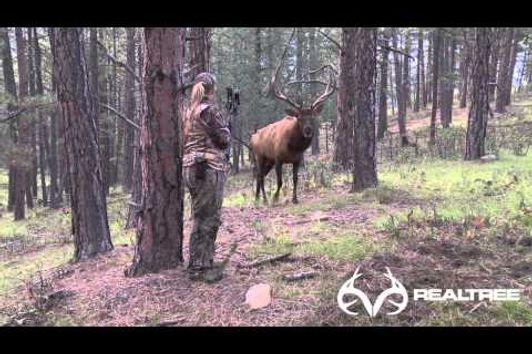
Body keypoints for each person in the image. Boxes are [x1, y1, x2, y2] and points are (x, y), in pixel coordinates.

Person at [183, 72, 231, 282]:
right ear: (211, 90)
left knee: (200, 216)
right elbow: (223, 139)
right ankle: (200, 267)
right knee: (209, 218)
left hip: (192, 167)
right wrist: (228, 128)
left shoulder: (189, 111)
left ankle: (200, 263)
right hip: (208, 167)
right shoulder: (208, 111)